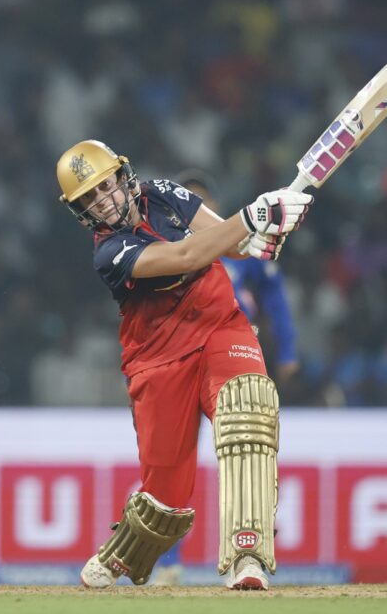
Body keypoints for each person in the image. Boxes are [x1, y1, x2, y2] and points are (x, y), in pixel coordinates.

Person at [56, 139, 313, 590]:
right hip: (158, 360)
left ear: (122, 176)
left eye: (105, 186)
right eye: (89, 198)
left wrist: (263, 232)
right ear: (81, 212)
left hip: (220, 327)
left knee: (248, 410)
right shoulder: (109, 252)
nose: (103, 200)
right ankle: (122, 552)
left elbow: (232, 245)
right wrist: (253, 217)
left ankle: (248, 555)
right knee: (165, 496)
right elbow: (187, 256)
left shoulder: (162, 193)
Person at [154, 169, 300, 586]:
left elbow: (274, 296)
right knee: (170, 463)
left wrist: (287, 351)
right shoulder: (160, 248)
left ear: (214, 207)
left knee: (248, 449)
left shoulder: (238, 247)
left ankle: (248, 555)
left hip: (229, 358)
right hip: (177, 360)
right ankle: (168, 563)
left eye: (201, 204)